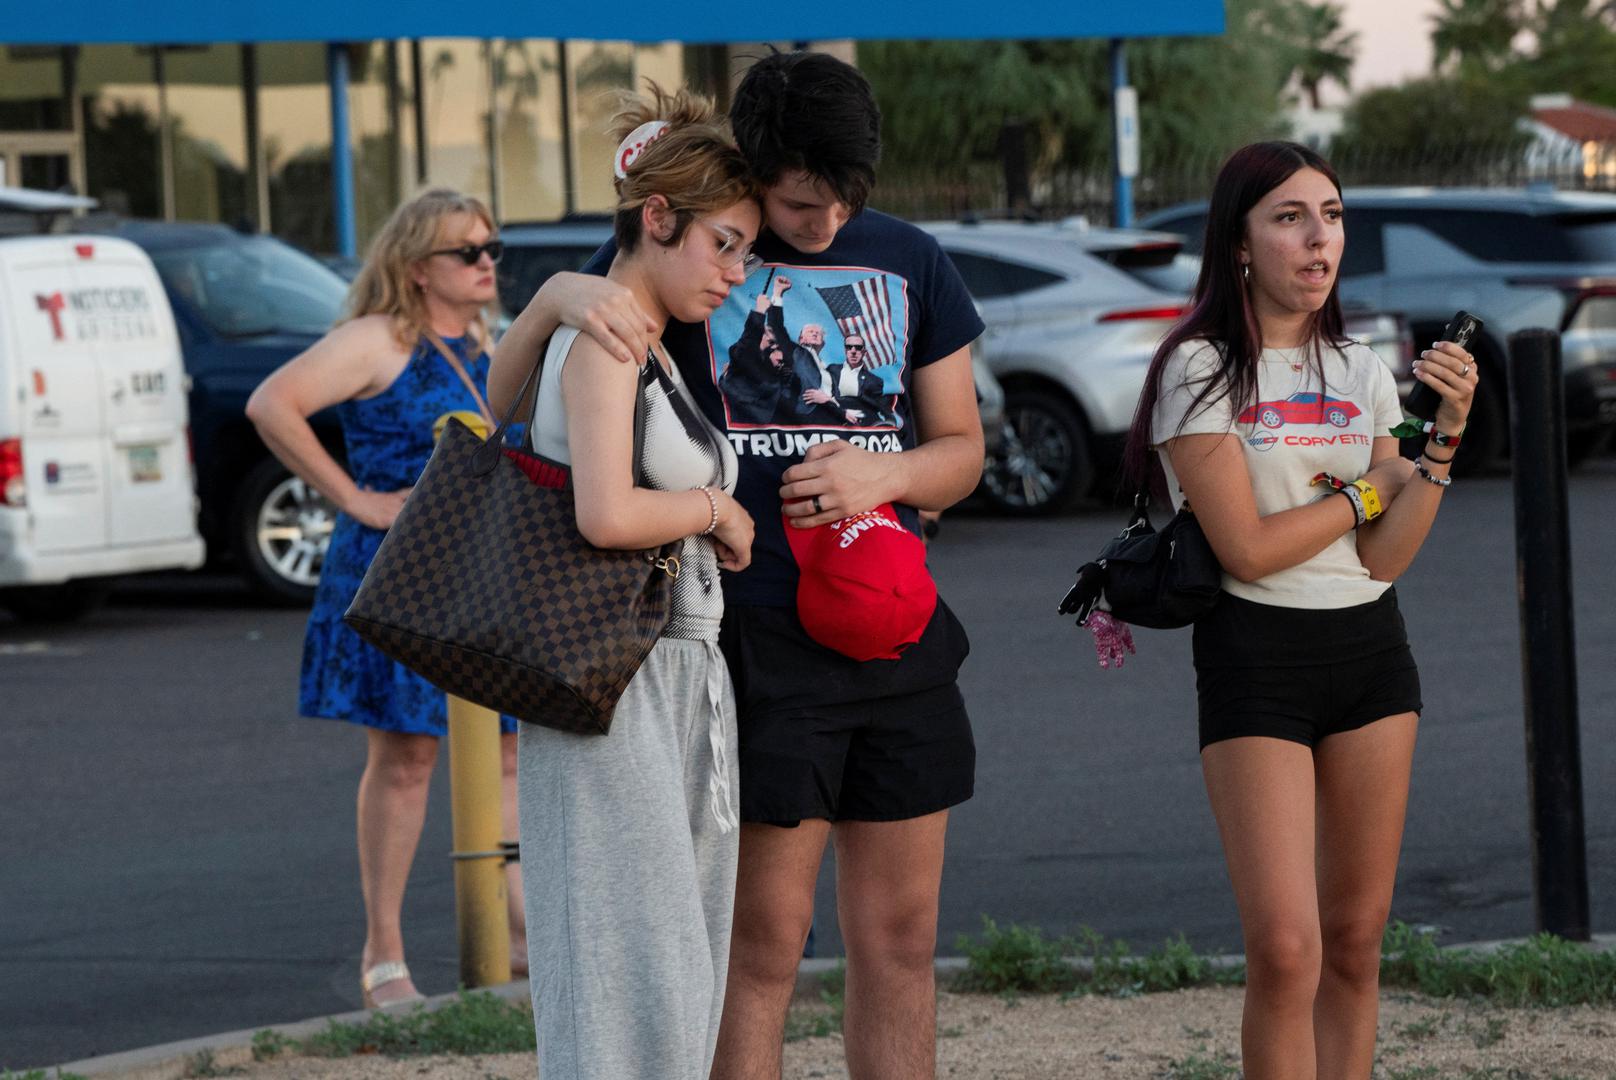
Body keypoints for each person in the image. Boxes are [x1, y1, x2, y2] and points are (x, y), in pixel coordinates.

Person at [490, 50, 985, 1080]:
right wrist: (549, 302)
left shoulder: (909, 258)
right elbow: (522, 397)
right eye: (803, 201)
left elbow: (960, 454)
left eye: (849, 199)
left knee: (898, 942)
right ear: (755, 171)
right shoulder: (699, 246)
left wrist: (877, 478)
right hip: (746, 638)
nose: (828, 224)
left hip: (891, 624)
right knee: (755, 945)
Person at [1125, 141, 1475, 1079]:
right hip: (1255, 656)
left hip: (1370, 652)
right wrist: (1366, 490)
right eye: (1289, 218)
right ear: (1239, 244)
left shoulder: (1363, 370)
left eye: (1331, 215)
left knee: (1356, 942)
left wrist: (1439, 444)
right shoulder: (1198, 370)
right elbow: (1245, 547)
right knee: (1287, 951)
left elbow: (1382, 558)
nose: (1319, 239)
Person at [513, 86, 760, 1080]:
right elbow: (605, 513)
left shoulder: (635, 338)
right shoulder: (607, 339)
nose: (735, 274)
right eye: (723, 245)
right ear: (656, 219)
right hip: (619, 676)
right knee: (632, 976)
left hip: (670, 670)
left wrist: (548, 302)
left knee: (671, 969)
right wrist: (716, 511)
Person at [245, 188, 527, 1009]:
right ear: (415, 267)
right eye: (466, 251)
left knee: (508, 754)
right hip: (398, 571)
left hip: (481, 574)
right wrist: (355, 497)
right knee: (406, 760)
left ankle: (516, 935)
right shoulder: (377, 340)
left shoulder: (486, 338)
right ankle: (385, 953)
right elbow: (273, 404)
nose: (486, 263)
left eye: (490, 248)